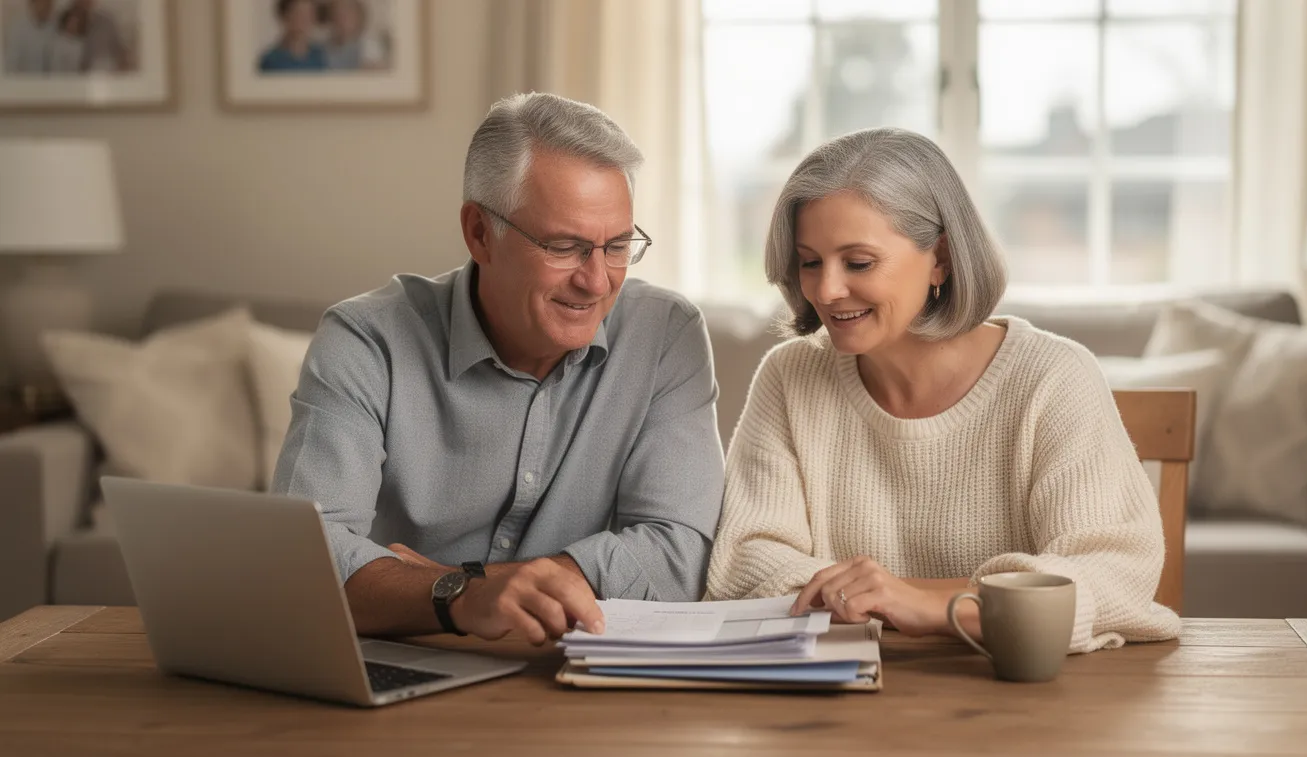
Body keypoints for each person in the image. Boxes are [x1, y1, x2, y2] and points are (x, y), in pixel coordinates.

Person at [705, 128, 1180, 654]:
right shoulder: (789, 377)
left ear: (942, 258)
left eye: (858, 262)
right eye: (810, 261)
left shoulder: (1054, 376)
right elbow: (745, 562)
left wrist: (929, 606)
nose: (826, 289)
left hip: (1024, 704)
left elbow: (1115, 575)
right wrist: (915, 601)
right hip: (842, 700)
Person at [272, 93, 725, 644]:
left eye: (618, 246)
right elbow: (303, 558)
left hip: (573, 679)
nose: (598, 280)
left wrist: (452, 586)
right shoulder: (366, 341)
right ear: (481, 233)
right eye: (565, 246)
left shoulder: (665, 336)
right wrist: (468, 599)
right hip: (399, 671)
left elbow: (678, 556)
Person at [258, 0, 327, 72]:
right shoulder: (271, 61)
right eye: (299, 14)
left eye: (309, 14)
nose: (305, 20)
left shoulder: (320, 57)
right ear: (285, 17)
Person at [3, 0, 55, 74]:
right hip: (23, 81)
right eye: (44, 3)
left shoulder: (54, 26)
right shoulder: (17, 28)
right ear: (32, 4)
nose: (47, 8)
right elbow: (11, 64)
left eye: (50, 4)